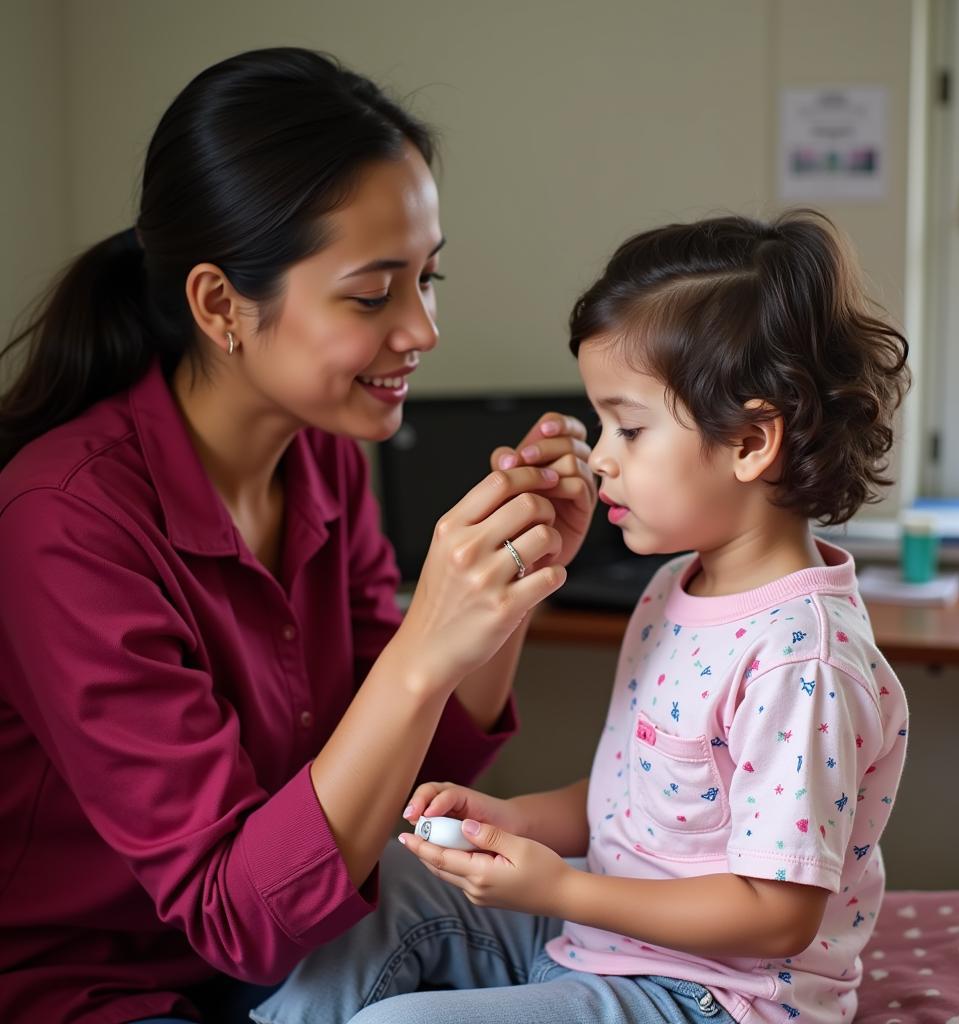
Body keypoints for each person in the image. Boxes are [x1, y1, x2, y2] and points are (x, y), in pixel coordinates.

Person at [0, 48, 596, 1024]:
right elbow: (235, 910)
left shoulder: (318, 461)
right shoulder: (61, 523)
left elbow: (405, 772)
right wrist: (424, 644)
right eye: (372, 294)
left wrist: (512, 581)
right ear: (219, 305)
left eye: (427, 277)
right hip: (95, 988)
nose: (422, 328)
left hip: (279, 952)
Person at [250, 210, 912, 1024]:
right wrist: (512, 821)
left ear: (749, 441)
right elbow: (639, 801)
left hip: (716, 998)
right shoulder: (677, 586)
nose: (600, 456)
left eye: (629, 427)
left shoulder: (800, 660)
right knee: (381, 892)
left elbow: (777, 916)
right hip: (599, 939)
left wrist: (560, 884)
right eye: (601, 424)